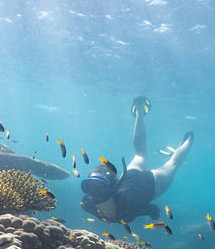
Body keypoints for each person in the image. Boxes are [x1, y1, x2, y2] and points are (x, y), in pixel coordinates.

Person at [80, 96, 193, 224]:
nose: (93, 194)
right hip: (129, 176)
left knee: (172, 164)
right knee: (140, 152)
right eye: (88, 186)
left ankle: (188, 142)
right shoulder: (88, 201)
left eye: (98, 189)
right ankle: (139, 111)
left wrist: (152, 214)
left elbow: (153, 210)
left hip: (152, 182)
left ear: (111, 190)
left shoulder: (129, 204)